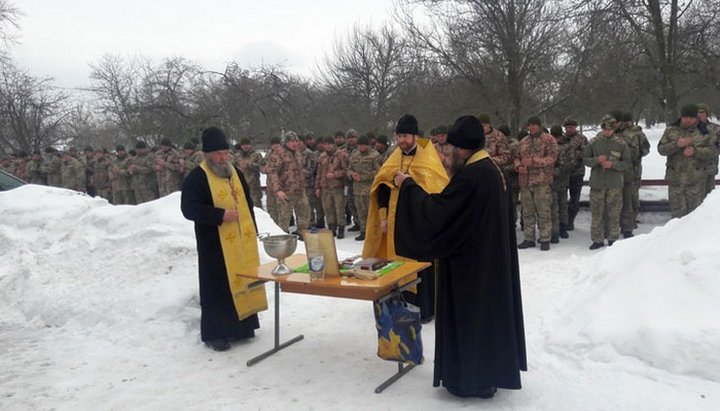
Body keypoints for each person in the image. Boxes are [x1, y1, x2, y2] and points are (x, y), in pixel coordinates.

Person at [392, 115, 527, 399]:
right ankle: (486, 376)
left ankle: (470, 381)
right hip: (488, 263)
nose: (445, 155)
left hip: (471, 269)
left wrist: (408, 187)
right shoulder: (490, 169)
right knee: (485, 321)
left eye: (449, 149)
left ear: (461, 149)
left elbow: (438, 213)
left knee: (472, 321)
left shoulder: (472, 175)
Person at [181, 127, 266, 351]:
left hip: (241, 242)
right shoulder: (197, 177)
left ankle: (243, 328)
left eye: (225, 153)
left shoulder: (234, 172)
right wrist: (220, 215)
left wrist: (252, 230)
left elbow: (247, 203)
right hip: (214, 244)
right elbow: (189, 209)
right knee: (217, 288)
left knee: (242, 280)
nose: (223, 158)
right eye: (218, 153)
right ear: (207, 154)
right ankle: (215, 334)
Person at [363, 114, 449, 322]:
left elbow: (437, 187)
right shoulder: (393, 158)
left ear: (414, 135)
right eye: (399, 136)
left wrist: (410, 183)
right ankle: (398, 302)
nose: (402, 140)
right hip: (396, 223)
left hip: (420, 222)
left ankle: (426, 308)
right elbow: (381, 190)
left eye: (406, 136)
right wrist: (383, 218)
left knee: (422, 263)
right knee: (397, 262)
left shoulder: (428, 157)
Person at [584, 115, 631, 249]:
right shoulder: (593, 142)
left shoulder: (621, 144)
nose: (607, 132)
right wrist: (596, 160)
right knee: (597, 213)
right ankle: (597, 239)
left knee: (614, 212)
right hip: (597, 183)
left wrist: (613, 165)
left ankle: (613, 238)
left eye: (609, 130)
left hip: (614, 183)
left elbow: (627, 162)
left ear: (614, 130)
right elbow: (585, 159)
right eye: (605, 129)